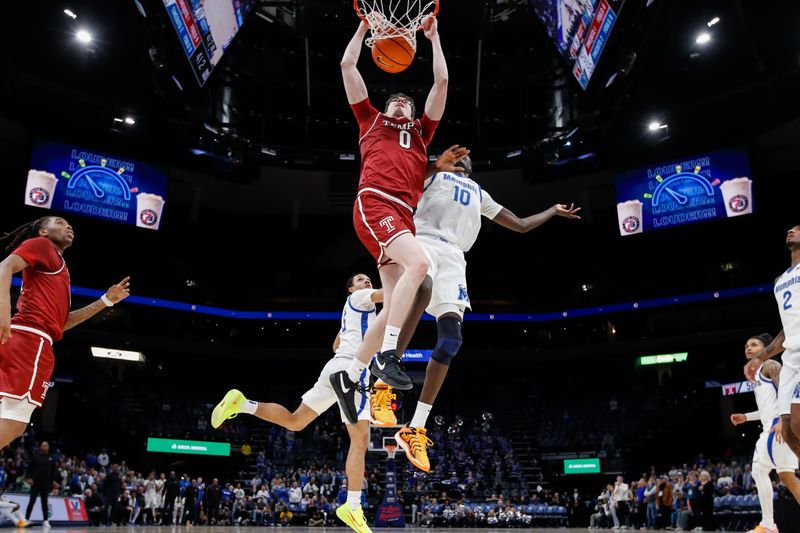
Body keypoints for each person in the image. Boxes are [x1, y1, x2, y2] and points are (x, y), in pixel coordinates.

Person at [375, 151, 581, 470]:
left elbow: (522, 225)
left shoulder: (480, 194)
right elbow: (405, 174)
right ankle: (384, 381)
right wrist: (434, 164)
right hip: (424, 242)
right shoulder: (433, 175)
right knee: (422, 288)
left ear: (473, 169)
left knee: (451, 341)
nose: (461, 160)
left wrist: (552, 211)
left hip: (455, 258)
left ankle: (414, 427)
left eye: (466, 159)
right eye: (455, 157)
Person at [334, 12, 449, 410]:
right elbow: (348, 65)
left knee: (403, 292)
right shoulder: (370, 120)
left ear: (413, 113)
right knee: (419, 266)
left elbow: (442, 82)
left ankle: (350, 374)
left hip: (403, 216)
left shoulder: (423, 132)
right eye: (395, 99)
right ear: (386, 107)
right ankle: (387, 356)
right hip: (376, 202)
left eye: (406, 101)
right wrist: (365, 27)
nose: (400, 101)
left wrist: (434, 40)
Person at [211, 273, 384, 533]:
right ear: (351, 289)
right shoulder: (361, 299)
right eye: (360, 279)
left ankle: (244, 404)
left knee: (295, 421)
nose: (366, 281)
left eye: (368, 279)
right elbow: (392, 293)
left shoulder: (351, 313)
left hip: (334, 367)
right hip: (352, 370)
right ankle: (353, 505)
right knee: (360, 440)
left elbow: (336, 343)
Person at [0, 217, 130, 447]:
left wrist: (105, 301)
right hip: (30, 340)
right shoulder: (41, 245)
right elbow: (4, 266)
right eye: (59, 222)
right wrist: (3, 311)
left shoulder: (57, 268)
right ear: (43, 231)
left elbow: (60, 325)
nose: (68, 226)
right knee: (14, 421)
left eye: (69, 224)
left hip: (29, 338)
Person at [731, 333, 800, 533]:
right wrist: (746, 416)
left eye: (754, 344)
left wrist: (782, 419)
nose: (748, 347)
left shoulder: (770, 365)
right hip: (771, 425)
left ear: (766, 347)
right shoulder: (756, 374)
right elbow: (767, 408)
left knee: (762, 471)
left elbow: (784, 392)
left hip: (777, 427)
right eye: (746, 344)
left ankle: (768, 524)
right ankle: (768, 524)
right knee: (786, 477)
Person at [745, 225, 800, 455]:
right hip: (790, 355)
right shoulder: (780, 280)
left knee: (797, 421)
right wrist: (760, 356)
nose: (790, 230)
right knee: (787, 428)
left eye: (797, 229)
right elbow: (787, 329)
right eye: (789, 229)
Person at [24, 441, 56, 527]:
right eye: (43, 446)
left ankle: (45, 520)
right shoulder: (35, 457)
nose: (44, 447)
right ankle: (26, 519)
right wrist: (29, 478)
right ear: (41, 447)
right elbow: (28, 469)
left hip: (46, 484)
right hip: (35, 483)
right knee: (32, 501)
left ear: (48, 447)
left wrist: (53, 482)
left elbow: (54, 471)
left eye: (46, 446)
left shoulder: (51, 458)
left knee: (44, 503)